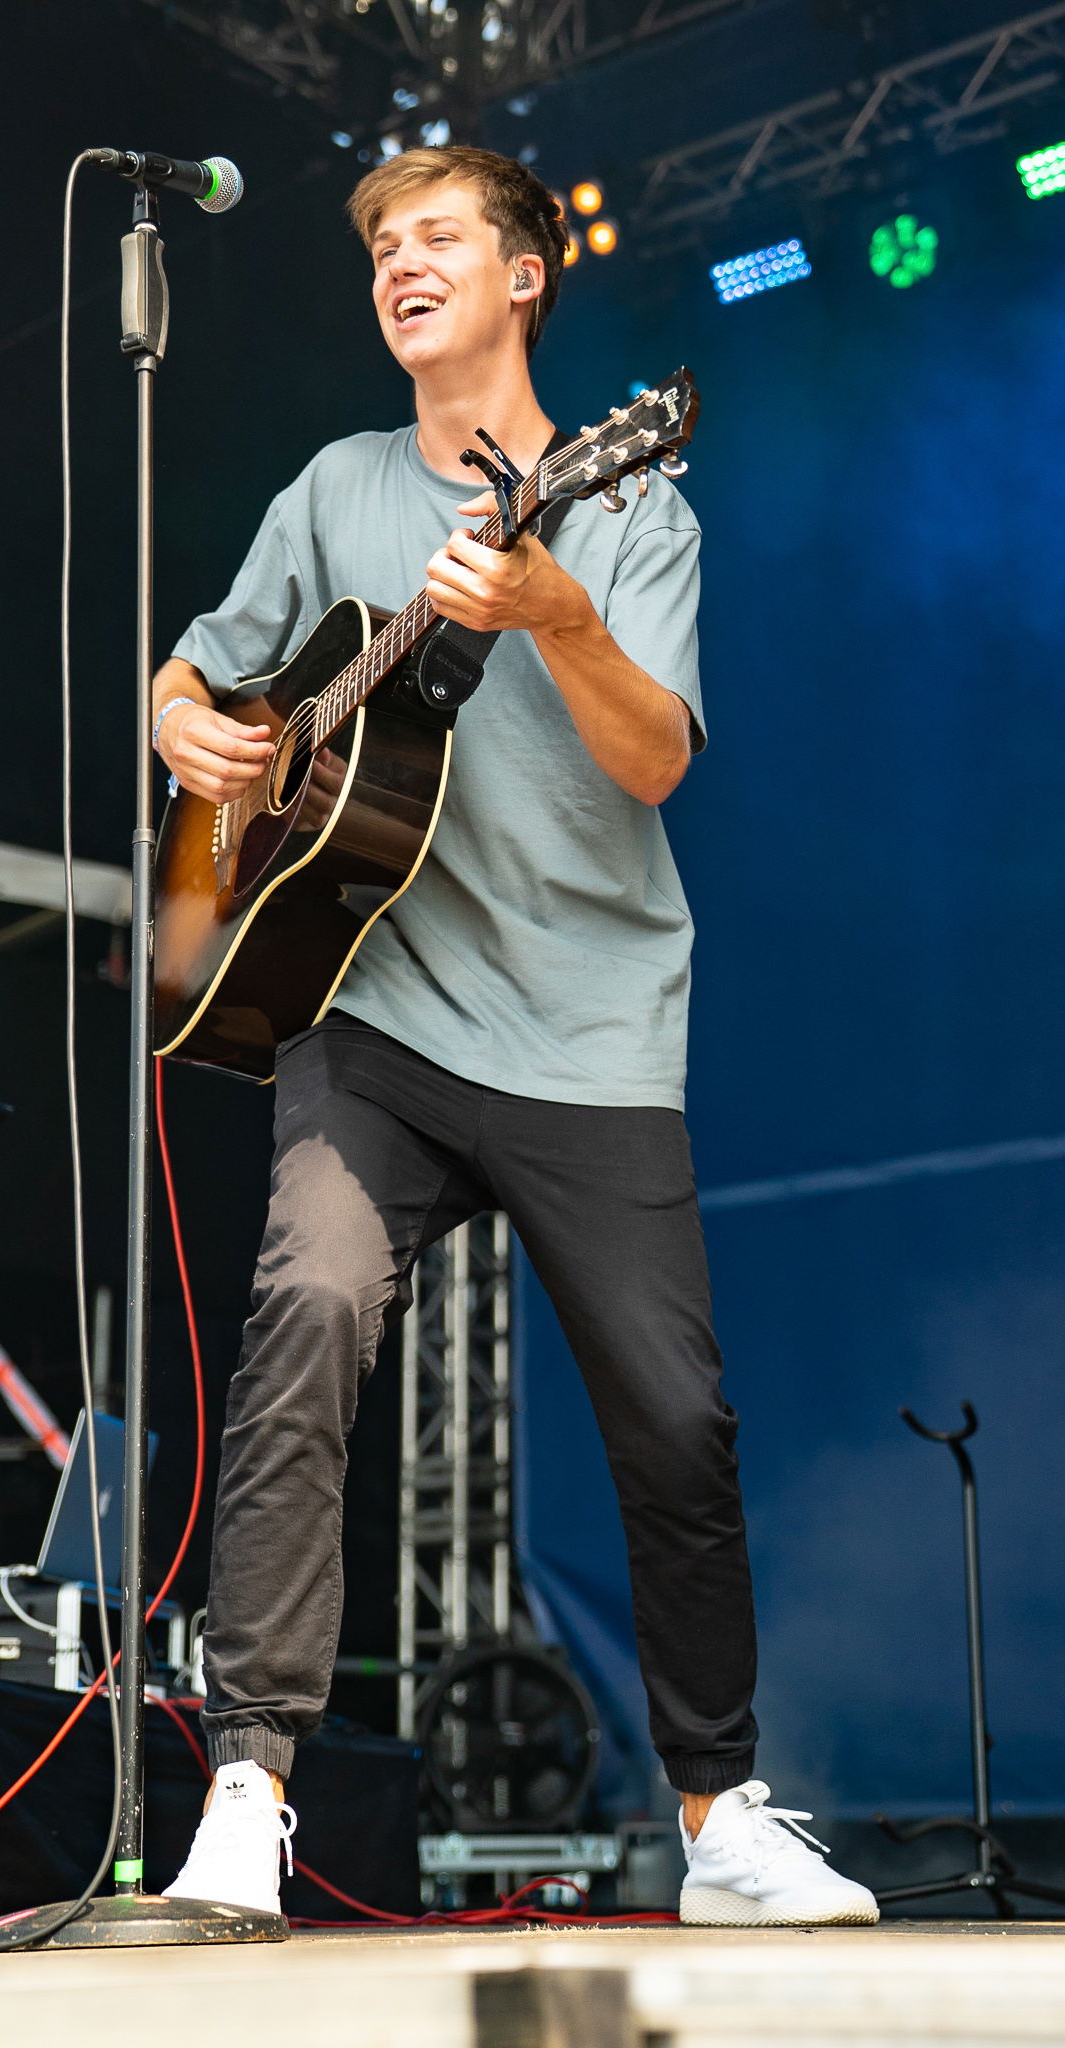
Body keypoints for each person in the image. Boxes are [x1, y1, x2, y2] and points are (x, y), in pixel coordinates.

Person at [149, 143, 877, 1930]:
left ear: (526, 272)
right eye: (386, 245)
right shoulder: (335, 488)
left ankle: (719, 1819)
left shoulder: (629, 503)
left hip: (588, 1024)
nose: (404, 264)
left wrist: (552, 610)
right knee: (306, 1309)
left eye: (441, 237)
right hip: (369, 1006)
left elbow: (652, 761)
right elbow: (200, 675)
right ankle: (245, 1792)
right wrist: (200, 741)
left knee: (671, 1413)